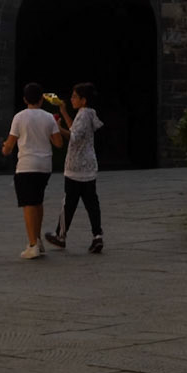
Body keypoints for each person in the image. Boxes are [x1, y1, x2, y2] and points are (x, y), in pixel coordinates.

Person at [2, 82, 63, 259]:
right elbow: (58, 143)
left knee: (28, 204)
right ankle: (37, 238)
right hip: (44, 166)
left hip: (27, 165)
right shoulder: (49, 118)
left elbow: (9, 146)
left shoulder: (19, 117)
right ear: (41, 99)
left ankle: (32, 244)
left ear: (25, 99)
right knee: (37, 201)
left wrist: (4, 148)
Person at [46, 83, 104, 254]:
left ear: (83, 100)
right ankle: (97, 236)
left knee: (69, 203)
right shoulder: (87, 113)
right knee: (92, 203)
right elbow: (75, 129)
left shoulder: (83, 114)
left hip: (76, 166)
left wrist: (56, 127)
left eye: (74, 97)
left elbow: (73, 136)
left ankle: (61, 235)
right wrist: (63, 111)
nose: (71, 99)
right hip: (89, 166)